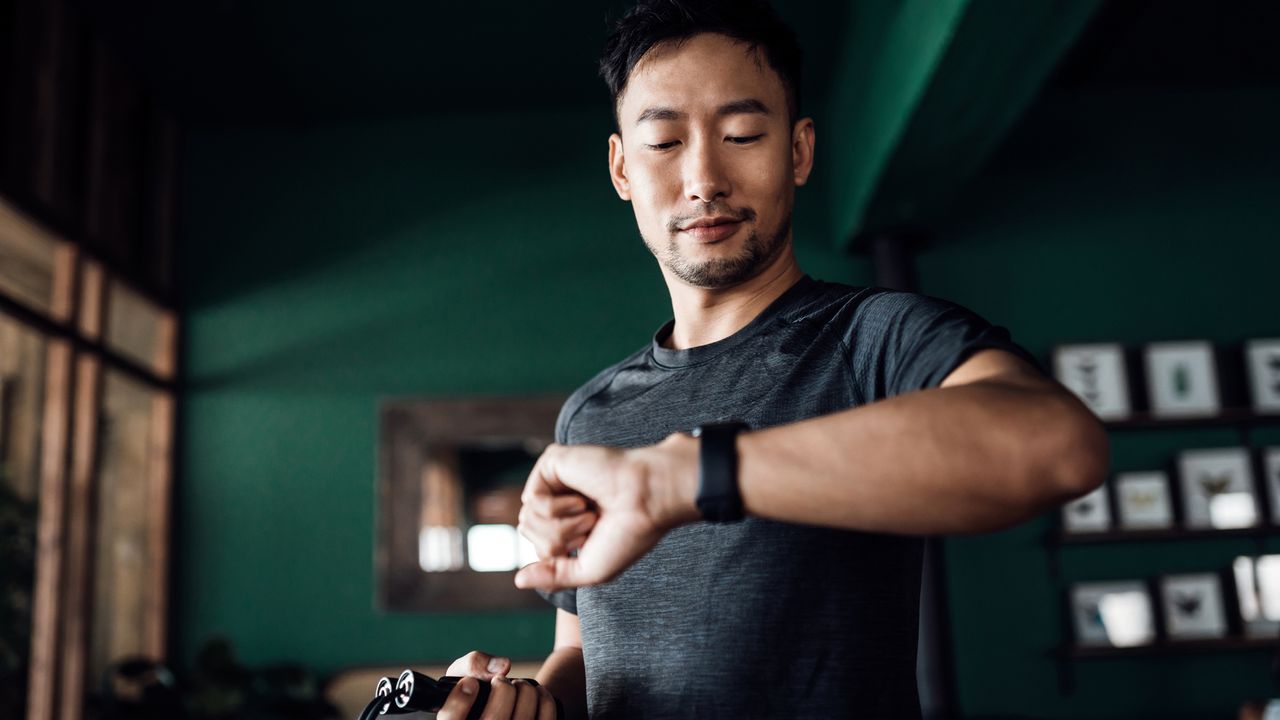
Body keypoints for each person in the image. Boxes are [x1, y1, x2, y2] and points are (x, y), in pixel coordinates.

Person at [434, 1, 1109, 718]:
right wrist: (522, 705)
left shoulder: (872, 337)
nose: (703, 178)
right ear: (621, 167)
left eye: (742, 133)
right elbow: (583, 651)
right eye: (663, 142)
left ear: (798, 150)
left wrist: (684, 477)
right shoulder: (590, 414)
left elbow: (1057, 445)